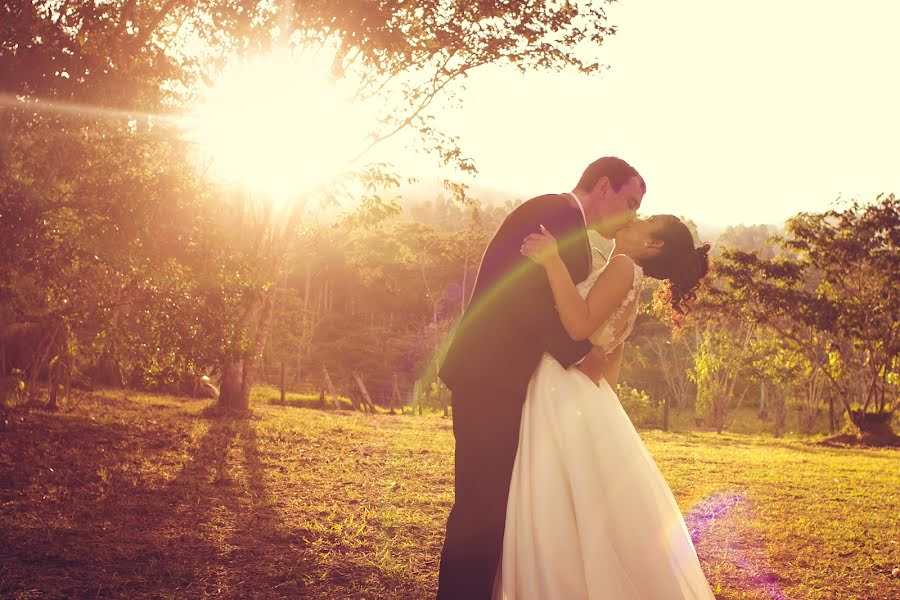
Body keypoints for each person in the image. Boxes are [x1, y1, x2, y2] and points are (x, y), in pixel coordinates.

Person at [437, 157, 646, 600]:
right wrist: (581, 353)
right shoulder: (557, 215)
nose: (633, 215)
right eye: (630, 202)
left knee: (492, 505)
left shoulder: (564, 221)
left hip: (501, 379)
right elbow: (523, 296)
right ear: (603, 186)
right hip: (489, 375)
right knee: (480, 508)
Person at [493, 214, 714, 599]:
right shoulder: (630, 277)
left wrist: (552, 261)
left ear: (653, 245)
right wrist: (599, 413)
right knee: (577, 501)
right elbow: (611, 360)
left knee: (553, 498)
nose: (637, 218)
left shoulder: (624, 267)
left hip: (559, 386)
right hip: (581, 392)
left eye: (648, 220)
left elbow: (578, 327)